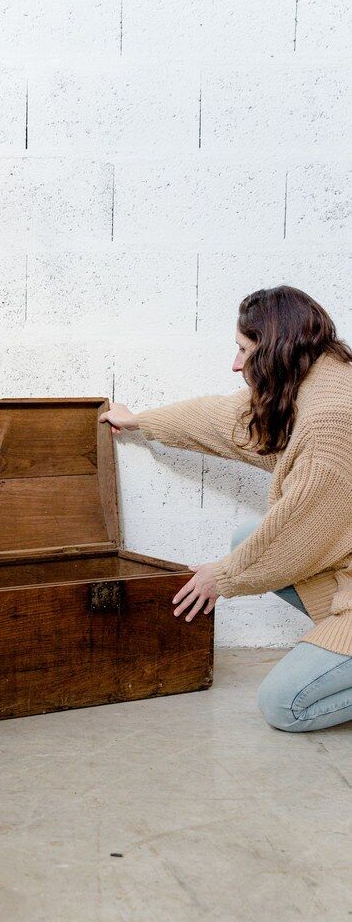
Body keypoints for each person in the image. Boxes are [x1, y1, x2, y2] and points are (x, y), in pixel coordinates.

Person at [99, 285, 352, 732]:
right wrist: (142, 421)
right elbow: (229, 420)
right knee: (245, 540)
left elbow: (300, 533)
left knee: (283, 705)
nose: (236, 364)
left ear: (275, 348)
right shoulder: (319, 376)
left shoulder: (328, 426)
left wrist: (224, 576)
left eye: (243, 350)